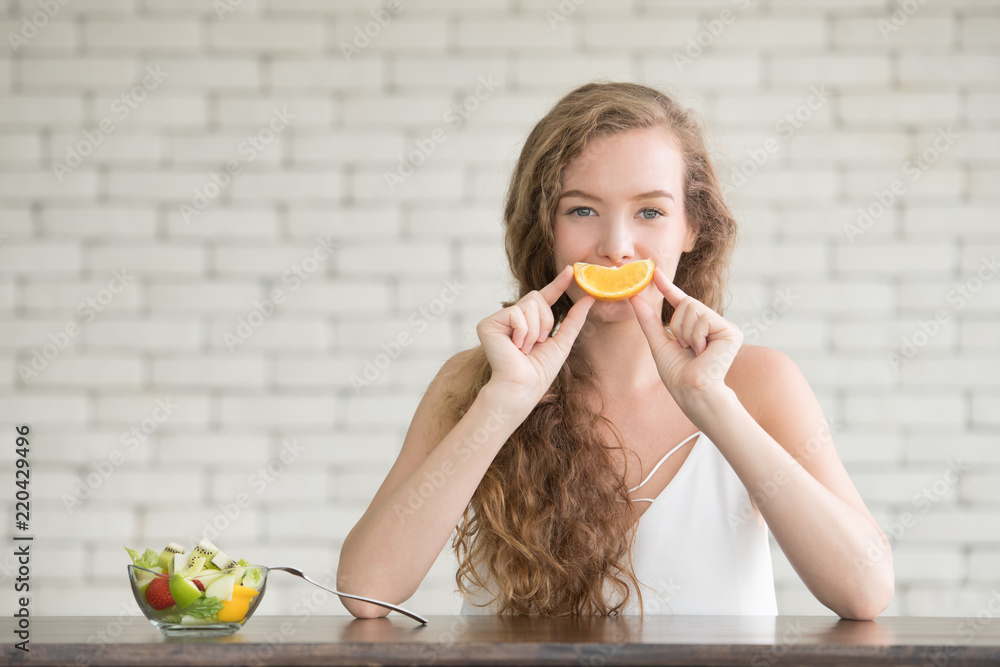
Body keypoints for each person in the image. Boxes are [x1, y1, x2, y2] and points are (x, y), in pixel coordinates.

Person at [337, 81, 894, 620]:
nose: (615, 247)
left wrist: (710, 401)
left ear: (692, 228)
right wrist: (502, 403)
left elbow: (864, 592)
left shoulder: (758, 383)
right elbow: (367, 591)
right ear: (545, 227)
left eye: (650, 212)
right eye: (581, 211)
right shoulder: (474, 381)